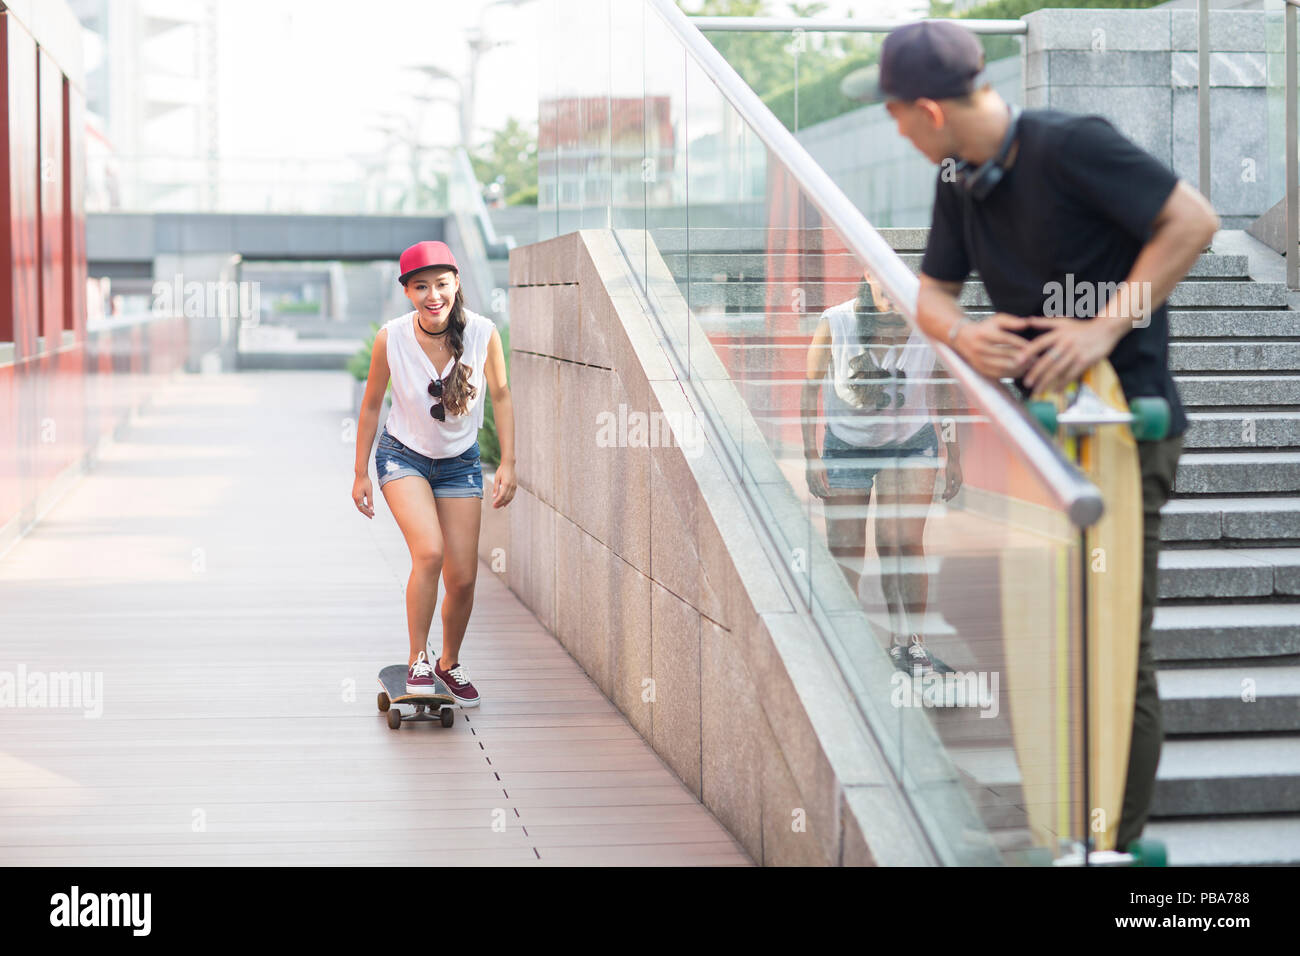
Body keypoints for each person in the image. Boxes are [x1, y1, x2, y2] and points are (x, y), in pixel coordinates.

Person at [879, 20, 1219, 849]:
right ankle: (1064, 826)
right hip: (1043, 442)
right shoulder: (961, 179)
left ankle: (1108, 846)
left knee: (1113, 641)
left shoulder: (1071, 145)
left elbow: (1194, 223)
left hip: (1125, 426)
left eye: (894, 115)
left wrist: (1103, 327)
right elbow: (931, 297)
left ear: (927, 109)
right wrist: (965, 337)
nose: (894, 131)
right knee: (1052, 637)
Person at [352, 241, 517, 704]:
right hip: (402, 456)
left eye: (441, 284)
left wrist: (508, 461)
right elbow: (370, 406)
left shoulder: (483, 333)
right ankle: (417, 659)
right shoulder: (392, 338)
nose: (433, 295)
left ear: (456, 283)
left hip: (460, 463)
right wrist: (360, 472)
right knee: (429, 553)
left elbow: (501, 395)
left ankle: (449, 662)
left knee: (462, 576)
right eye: (421, 286)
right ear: (407, 291)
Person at [802, 272, 962, 676]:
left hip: (910, 444)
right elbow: (808, 388)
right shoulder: (836, 322)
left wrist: (953, 453)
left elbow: (944, 389)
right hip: (845, 446)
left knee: (902, 542)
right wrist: (810, 453)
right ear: (867, 283)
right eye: (883, 288)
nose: (892, 297)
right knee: (845, 550)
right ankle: (847, 644)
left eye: (900, 288)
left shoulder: (928, 325)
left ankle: (909, 646)